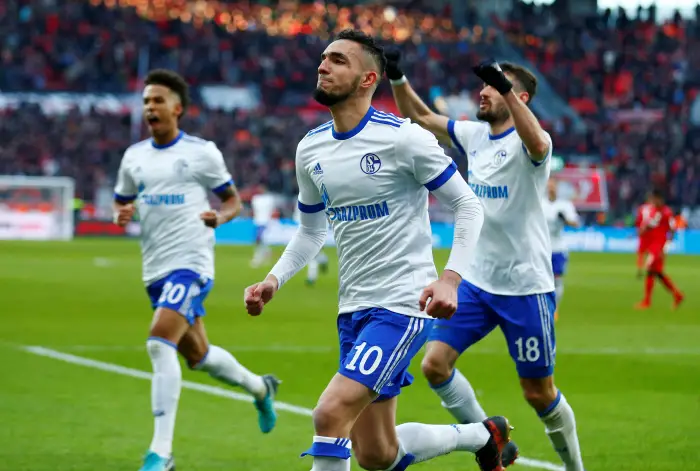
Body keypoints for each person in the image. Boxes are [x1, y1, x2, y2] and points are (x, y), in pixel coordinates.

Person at [244, 29, 513, 471]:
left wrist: (450, 278)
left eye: (337, 60)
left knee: (330, 414)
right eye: (323, 58)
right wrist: (274, 278)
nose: (323, 65)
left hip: (401, 305)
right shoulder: (310, 148)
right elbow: (311, 231)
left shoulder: (403, 139)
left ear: (369, 78)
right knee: (377, 455)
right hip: (352, 309)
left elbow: (468, 206)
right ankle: (483, 434)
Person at [386, 50, 585, 470]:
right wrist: (397, 76)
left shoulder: (532, 142)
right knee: (434, 365)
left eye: (492, 87)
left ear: (519, 97)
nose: (483, 92)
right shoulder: (476, 135)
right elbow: (421, 118)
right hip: (477, 281)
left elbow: (537, 141)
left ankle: (574, 468)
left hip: (525, 287)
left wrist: (506, 86)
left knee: (539, 394)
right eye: (485, 84)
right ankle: (491, 440)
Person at [113, 69, 280, 471]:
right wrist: (122, 212)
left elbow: (232, 201)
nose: (150, 107)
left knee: (158, 342)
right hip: (154, 268)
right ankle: (260, 388)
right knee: (199, 356)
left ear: (177, 109)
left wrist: (219, 219)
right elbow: (121, 201)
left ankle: (161, 452)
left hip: (191, 263)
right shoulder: (133, 157)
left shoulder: (202, 153)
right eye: (146, 101)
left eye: (157, 101)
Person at [634, 189, 684, 310]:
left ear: (660, 199)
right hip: (654, 246)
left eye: (655, 199)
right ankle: (677, 295)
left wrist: (666, 246)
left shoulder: (667, 212)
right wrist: (643, 230)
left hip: (659, 247)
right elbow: (652, 224)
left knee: (651, 270)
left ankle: (647, 301)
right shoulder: (657, 212)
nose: (653, 202)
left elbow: (672, 229)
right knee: (657, 273)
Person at [542, 178, 580, 321]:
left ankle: (554, 309)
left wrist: (565, 219)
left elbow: (576, 223)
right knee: (540, 280)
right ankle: (541, 307)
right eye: (549, 186)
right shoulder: (540, 202)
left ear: (557, 188)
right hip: (541, 248)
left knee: (557, 280)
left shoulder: (565, 205)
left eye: (553, 186)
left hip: (558, 248)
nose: (551, 189)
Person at [250, 187, 277, 268]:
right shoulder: (256, 199)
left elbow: (273, 210)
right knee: (260, 240)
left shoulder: (268, 199)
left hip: (265, 222)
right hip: (258, 222)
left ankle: (258, 257)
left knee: (259, 239)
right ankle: (267, 253)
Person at [635, 196, 656, 279]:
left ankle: (640, 269)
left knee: (641, 251)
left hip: (642, 231)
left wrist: (639, 229)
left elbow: (638, 220)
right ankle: (649, 268)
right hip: (651, 231)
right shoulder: (654, 208)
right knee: (650, 251)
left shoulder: (641, 208)